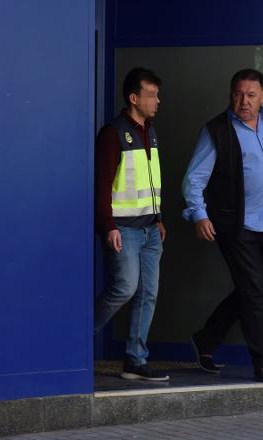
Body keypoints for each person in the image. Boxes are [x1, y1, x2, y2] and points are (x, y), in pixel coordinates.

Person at [182, 68, 263, 383]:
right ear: (231, 95)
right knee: (254, 294)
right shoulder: (217, 130)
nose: (244, 101)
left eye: (251, 95)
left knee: (255, 291)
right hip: (234, 225)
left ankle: (207, 339)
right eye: (238, 94)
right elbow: (193, 179)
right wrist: (199, 214)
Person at [94, 67, 168, 381]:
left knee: (148, 293)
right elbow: (102, 184)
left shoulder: (150, 130)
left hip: (150, 229)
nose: (158, 101)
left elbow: (150, 181)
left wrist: (159, 218)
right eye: (151, 95)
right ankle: (79, 337)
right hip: (123, 229)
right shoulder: (113, 133)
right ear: (134, 98)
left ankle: (135, 360)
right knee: (125, 287)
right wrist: (108, 225)